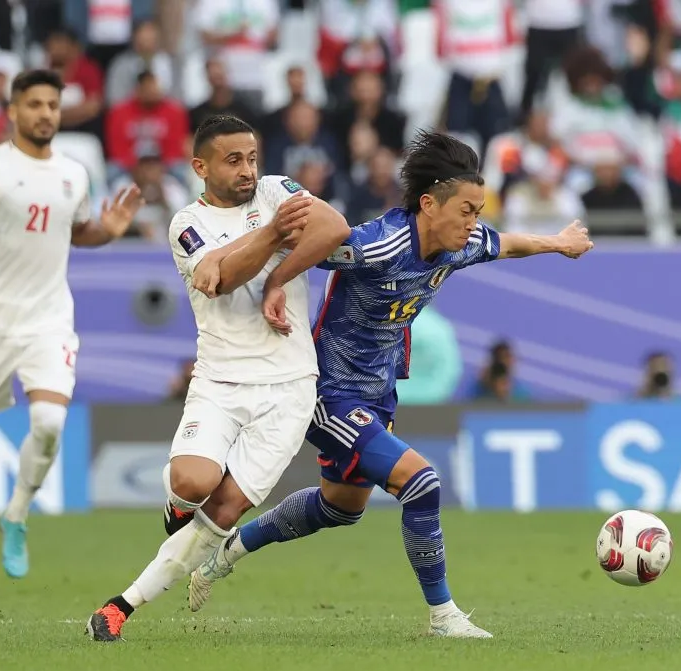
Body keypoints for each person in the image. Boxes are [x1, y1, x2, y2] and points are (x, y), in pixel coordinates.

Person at [187, 131, 593, 638]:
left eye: (478, 210)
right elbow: (300, 241)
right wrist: (221, 259)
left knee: (339, 507)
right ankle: (443, 616)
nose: (474, 223)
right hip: (326, 392)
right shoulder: (378, 246)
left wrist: (560, 243)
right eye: (467, 210)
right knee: (421, 483)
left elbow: (508, 243)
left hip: (377, 395)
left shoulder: (458, 245)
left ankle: (233, 548)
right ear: (429, 203)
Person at [85, 115, 350, 641]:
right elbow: (221, 279)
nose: (249, 170)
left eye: (252, 158)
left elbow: (334, 228)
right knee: (193, 483)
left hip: (292, 383)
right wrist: (272, 234)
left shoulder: (277, 190)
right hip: (222, 379)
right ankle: (177, 503)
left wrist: (277, 274)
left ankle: (121, 607)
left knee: (224, 512)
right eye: (234, 160)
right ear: (200, 166)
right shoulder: (187, 223)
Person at [0, 69, 143, 593]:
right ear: (13, 111)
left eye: (52, 105)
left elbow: (72, 232)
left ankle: (15, 515)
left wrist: (105, 233)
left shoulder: (74, 174)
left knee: (48, 423)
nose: (45, 114)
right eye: (34, 104)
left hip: (48, 319)